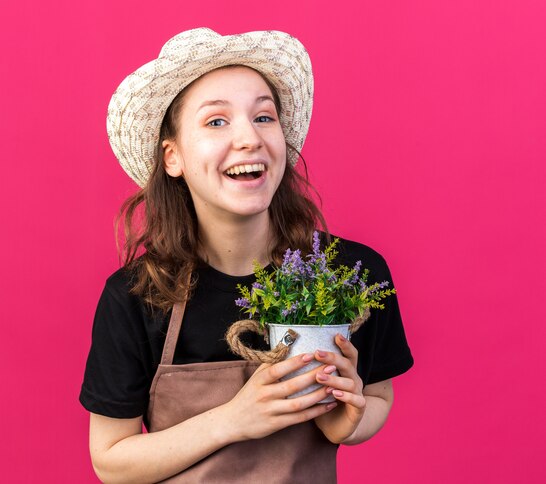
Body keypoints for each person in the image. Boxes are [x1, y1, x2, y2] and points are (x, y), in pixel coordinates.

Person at [79, 28, 413, 483]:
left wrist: (347, 420)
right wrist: (233, 419)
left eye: (263, 117)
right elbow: (111, 461)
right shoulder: (136, 295)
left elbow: (378, 399)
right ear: (172, 157)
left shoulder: (348, 277)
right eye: (216, 121)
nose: (249, 139)